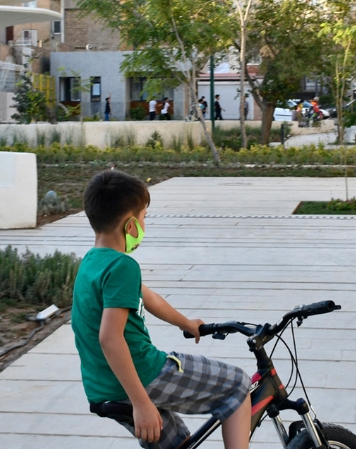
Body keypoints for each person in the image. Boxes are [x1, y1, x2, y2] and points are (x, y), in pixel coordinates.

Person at [72, 171, 251, 449]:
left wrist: (186, 322)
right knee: (238, 385)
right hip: (141, 376)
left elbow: (149, 297)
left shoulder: (92, 263)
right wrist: (141, 403)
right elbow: (110, 338)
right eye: (144, 217)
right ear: (130, 226)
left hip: (102, 384)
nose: (145, 224)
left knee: (177, 444)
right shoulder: (123, 266)